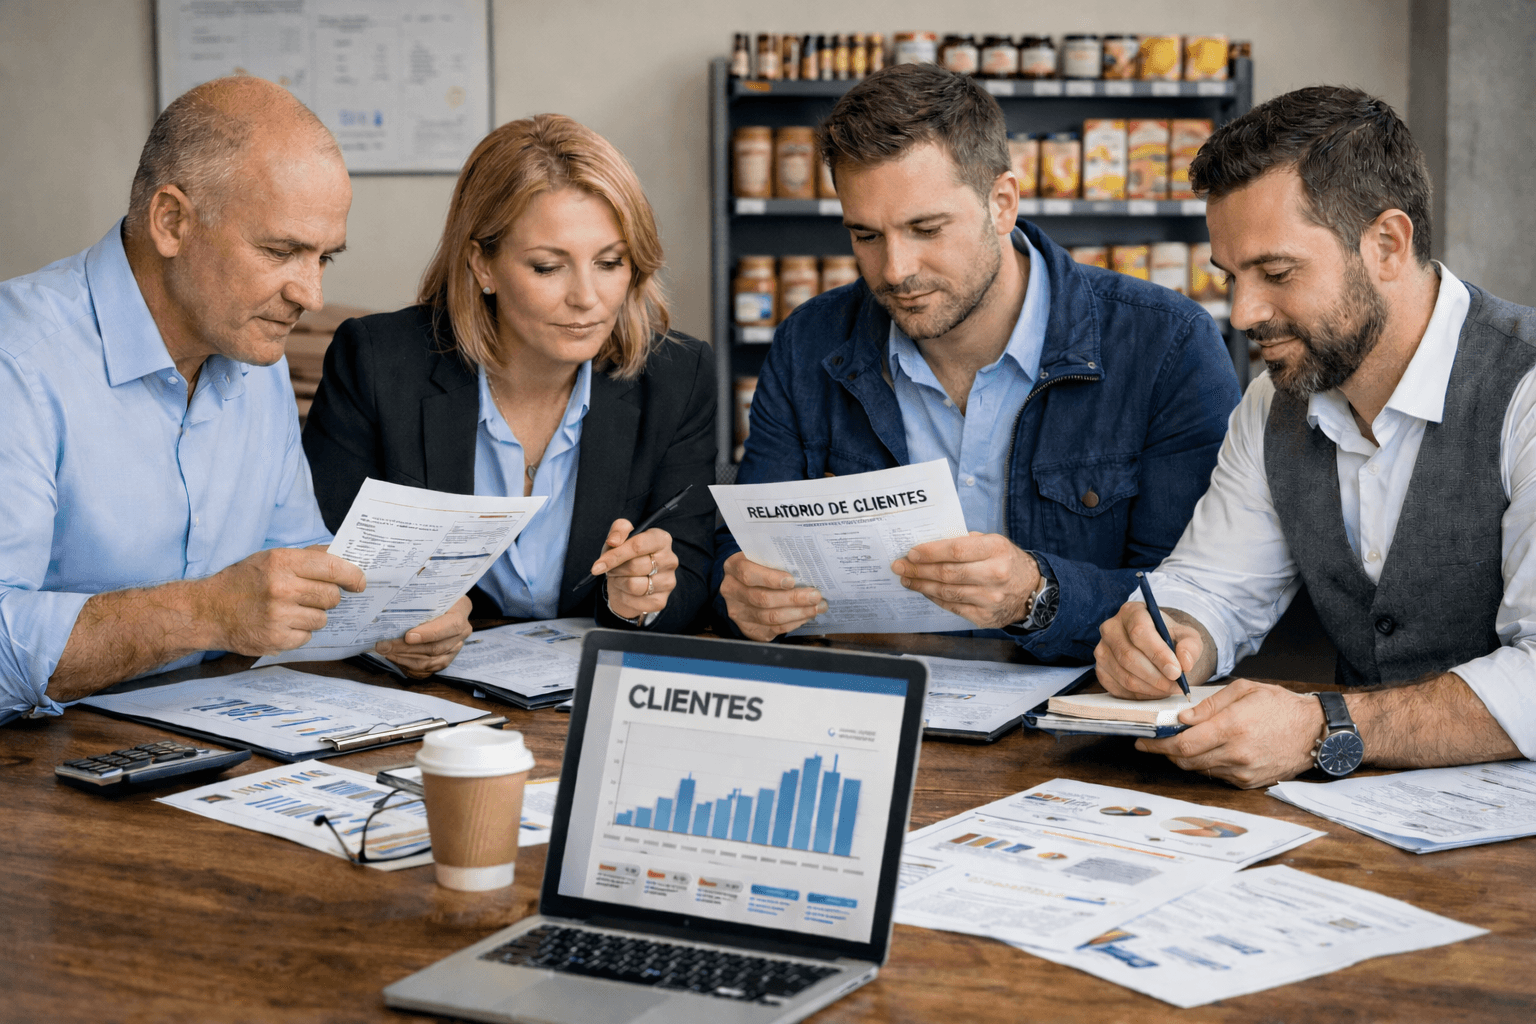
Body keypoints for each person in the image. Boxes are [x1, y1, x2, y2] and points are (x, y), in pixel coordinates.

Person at [714, 64, 1241, 657]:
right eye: (866, 235)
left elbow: (1197, 601)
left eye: (926, 229)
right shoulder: (807, 343)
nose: (895, 270)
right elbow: (739, 555)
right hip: (871, 703)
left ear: (1002, 203)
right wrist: (740, 593)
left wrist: (1037, 596)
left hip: (1076, 720)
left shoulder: (1167, 346)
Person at [1094, 86, 1536, 788]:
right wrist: (1171, 633)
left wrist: (1322, 726)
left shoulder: (1526, 388)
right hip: (1362, 821)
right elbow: (1215, 587)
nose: (1242, 313)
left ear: (1388, 244)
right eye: (1231, 276)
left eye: (1275, 273)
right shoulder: (1274, 400)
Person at [0, 77, 469, 721]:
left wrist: (385, 623)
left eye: (325, 257)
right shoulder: (17, 361)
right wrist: (204, 613)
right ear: (172, 221)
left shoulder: (251, 348)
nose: (311, 294)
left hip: (200, 743)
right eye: (282, 251)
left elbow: (292, 564)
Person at [302, 114, 715, 632]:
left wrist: (641, 598)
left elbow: (694, 575)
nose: (587, 298)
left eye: (610, 263)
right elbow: (317, 558)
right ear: (482, 265)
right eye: (548, 266)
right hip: (424, 695)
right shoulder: (377, 362)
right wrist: (390, 629)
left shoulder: (679, 377)